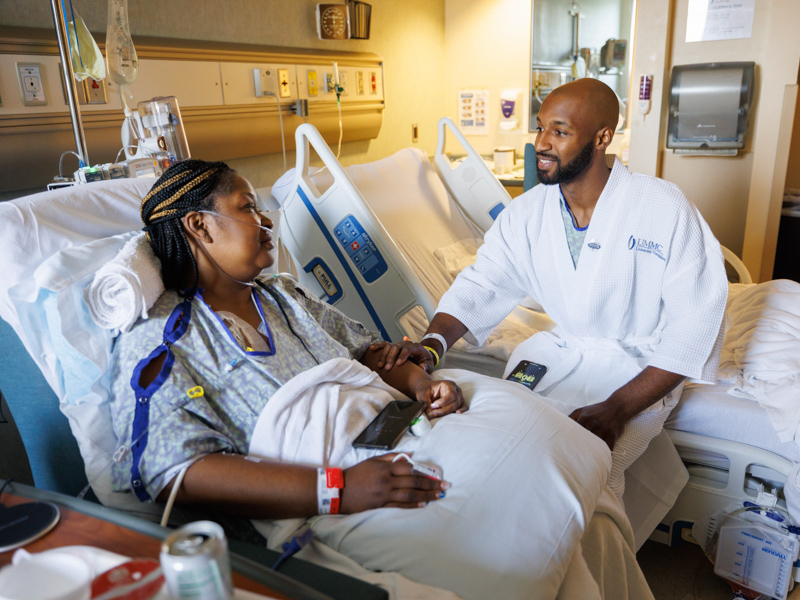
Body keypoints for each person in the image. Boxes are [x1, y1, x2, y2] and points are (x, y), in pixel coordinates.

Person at [107, 159, 655, 599]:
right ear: (199, 226)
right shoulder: (162, 337)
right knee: (527, 544)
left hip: (398, 428)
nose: (267, 221)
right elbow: (176, 471)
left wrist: (420, 384)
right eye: (248, 208)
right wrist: (338, 490)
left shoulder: (282, 297)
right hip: (328, 481)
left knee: (568, 499)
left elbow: (368, 353)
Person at [376, 78, 729, 501]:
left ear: (602, 138)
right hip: (556, 356)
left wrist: (617, 409)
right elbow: (483, 282)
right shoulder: (527, 213)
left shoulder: (662, 207)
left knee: (568, 473)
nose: (541, 143)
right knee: (485, 437)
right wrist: (432, 343)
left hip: (635, 369)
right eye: (540, 127)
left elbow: (695, 323)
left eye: (559, 132)